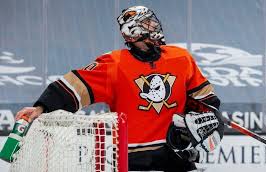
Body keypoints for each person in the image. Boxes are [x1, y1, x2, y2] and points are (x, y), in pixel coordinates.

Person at [15, 6, 224, 172]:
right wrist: (40, 108)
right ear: (134, 32)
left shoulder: (181, 58)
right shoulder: (114, 64)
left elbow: (204, 99)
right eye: (148, 23)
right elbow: (72, 88)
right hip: (131, 159)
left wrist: (211, 116)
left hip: (175, 154)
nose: (155, 26)